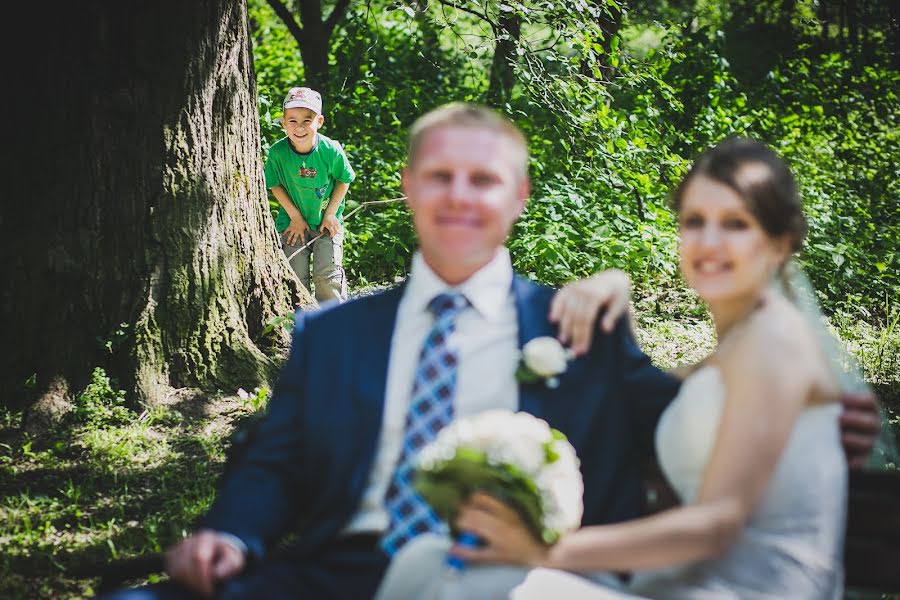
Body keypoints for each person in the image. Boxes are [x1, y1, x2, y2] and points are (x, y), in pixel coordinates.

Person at [103, 109, 876, 600]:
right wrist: (229, 535)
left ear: (521, 196)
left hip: (517, 576)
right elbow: (273, 462)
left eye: (485, 178)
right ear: (405, 187)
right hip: (333, 575)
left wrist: (817, 420)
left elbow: (693, 424)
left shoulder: (581, 326)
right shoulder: (329, 334)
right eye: (440, 175)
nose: (461, 196)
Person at [376, 137, 868, 600]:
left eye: (736, 224)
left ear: (780, 242)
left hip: (747, 591)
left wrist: (545, 553)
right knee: (423, 560)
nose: (709, 242)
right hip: (683, 582)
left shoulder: (773, 340)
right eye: (694, 221)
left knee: (477, 586)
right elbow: (659, 385)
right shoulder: (736, 346)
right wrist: (614, 285)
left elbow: (718, 523)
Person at [266, 86, 355, 303]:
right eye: (293, 120)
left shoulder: (330, 149)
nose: (299, 127)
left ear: (319, 122)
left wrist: (331, 213)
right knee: (295, 277)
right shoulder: (278, 153)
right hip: (292, 222)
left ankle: (332, 321)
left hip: (326, 221)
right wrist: (295, 217)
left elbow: (344, 179)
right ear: (283, 122)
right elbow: (274, 184)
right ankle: (301, 325)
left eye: (307, 120)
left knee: (327, 276)